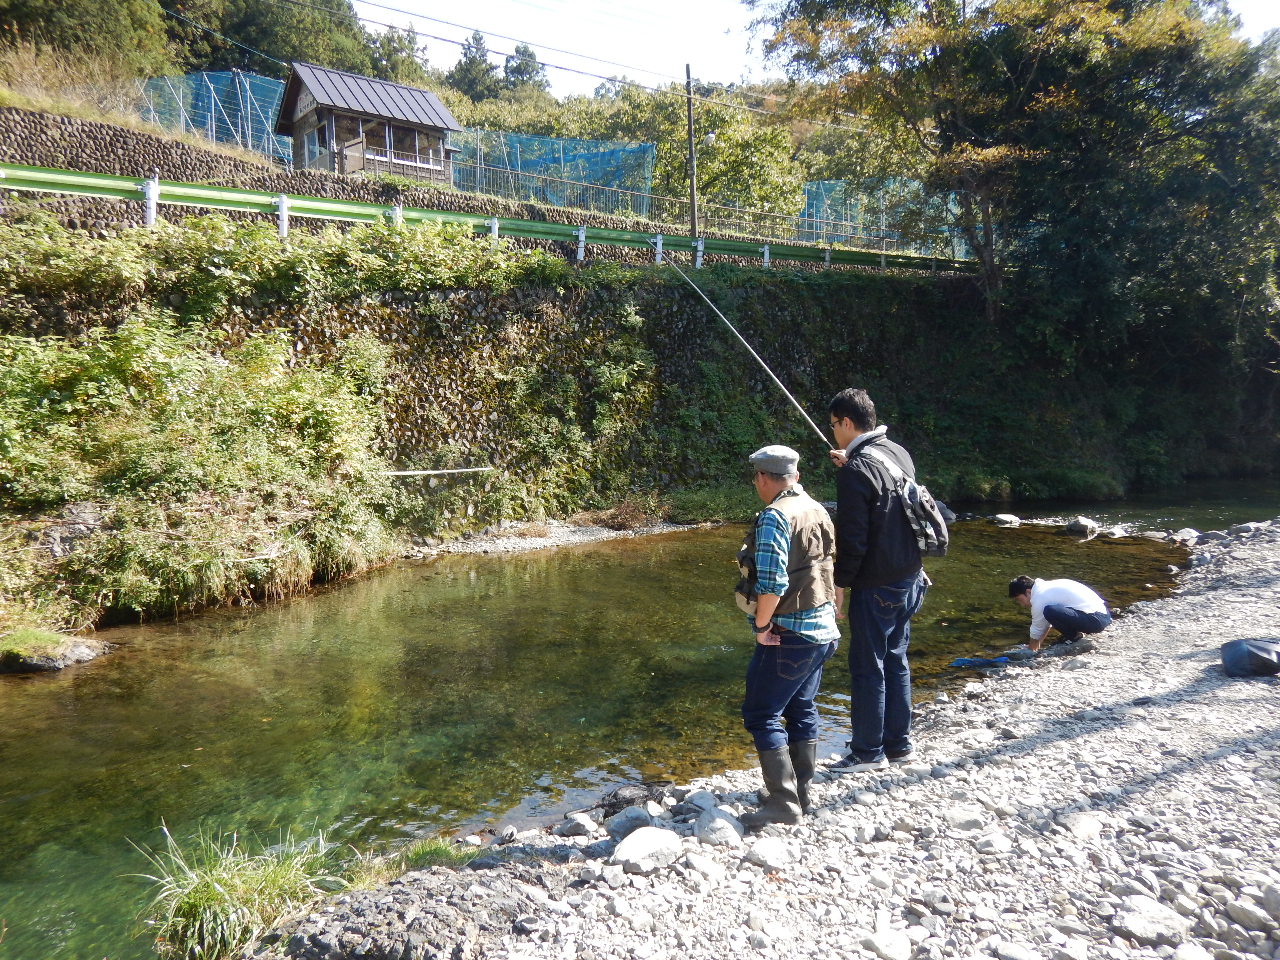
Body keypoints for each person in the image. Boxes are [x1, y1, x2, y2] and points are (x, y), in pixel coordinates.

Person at [737, 444, 840, 827]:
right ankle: (801, 794)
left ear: (763, 478)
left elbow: (773, 583)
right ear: (794, 476)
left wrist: (762, 627)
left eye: (756, 477)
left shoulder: (774, 518)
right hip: (824, 631)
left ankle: (782, 803)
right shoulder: (817, 509)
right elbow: (832, 569)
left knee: (761, 714)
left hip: (791, 633)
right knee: (802, 709)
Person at [826, 388, 928, 773]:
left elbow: (854, 537)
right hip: (911, 577)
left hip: (878, 584)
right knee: (896, 659)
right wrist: (850, 462)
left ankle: (868, 752)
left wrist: (839, 583)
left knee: (868, 665)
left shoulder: (856, 470)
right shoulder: (897, 452)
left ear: (847, 423)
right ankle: (899, 746)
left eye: (835, 425)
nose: (833, 431)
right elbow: (887, 498)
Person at [1008, 575, 1111, 651]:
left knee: (1050, 611)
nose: (1021, 604)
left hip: (1095, 620)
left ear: (1028, 592)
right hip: (1104, 614)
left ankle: (1074, 637)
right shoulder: (1047, 587)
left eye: (1019, 599)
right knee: (1050, 611)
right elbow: (1044, 624)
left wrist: (1031, 649)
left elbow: (1037, 627)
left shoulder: (1040, 597)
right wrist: (1037, 645)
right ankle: (1072, 636)